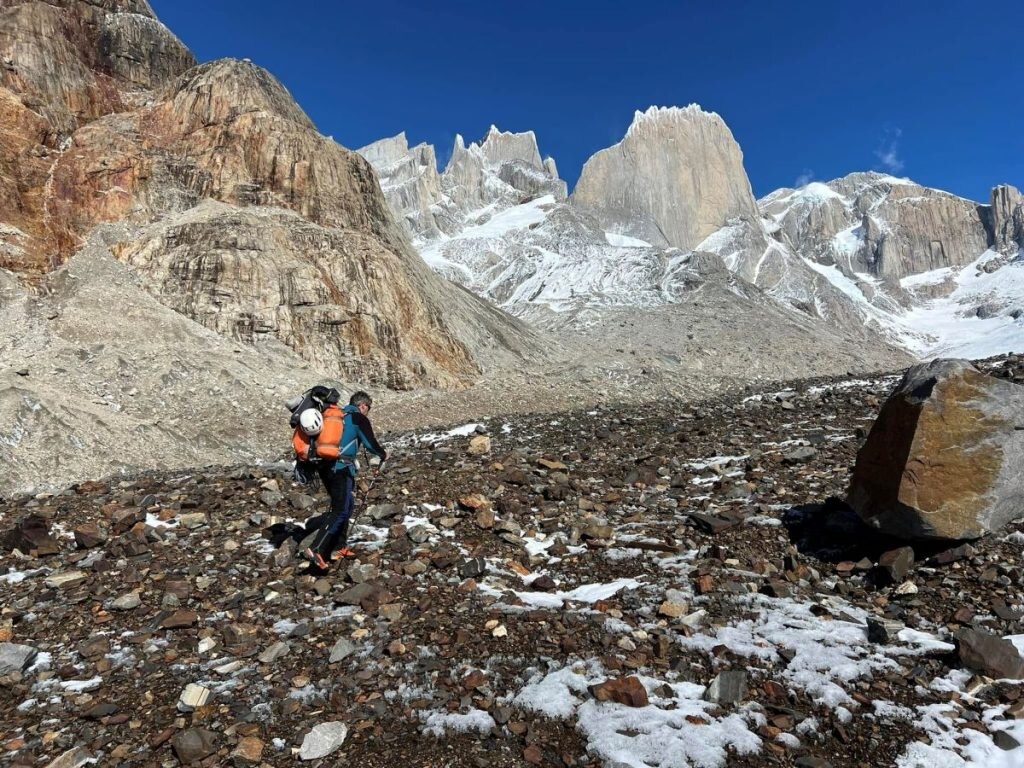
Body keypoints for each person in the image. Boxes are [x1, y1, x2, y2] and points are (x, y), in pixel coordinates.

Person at [303, 391, 387, 569]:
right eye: (368, 408)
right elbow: (370, 444)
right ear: (362, 405)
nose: (368, 412)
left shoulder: (337, 415)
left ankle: (339, 546)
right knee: (341, 509)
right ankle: (316, 548)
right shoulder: (358, 418)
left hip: (325, 466)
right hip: (340, 468)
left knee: (345, 506)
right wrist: (382, 454)